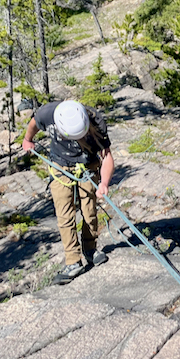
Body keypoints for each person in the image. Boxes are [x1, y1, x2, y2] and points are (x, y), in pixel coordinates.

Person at [22, 100, 115, 285]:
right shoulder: (47, 113)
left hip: (87, 166)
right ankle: (73, 261)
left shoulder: (96, 121)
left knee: (89, 210)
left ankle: (90, 249)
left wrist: (104, 183)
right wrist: (27, 140)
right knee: (65, 215)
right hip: (60, 166)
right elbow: (33, 123)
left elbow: (107, 157)